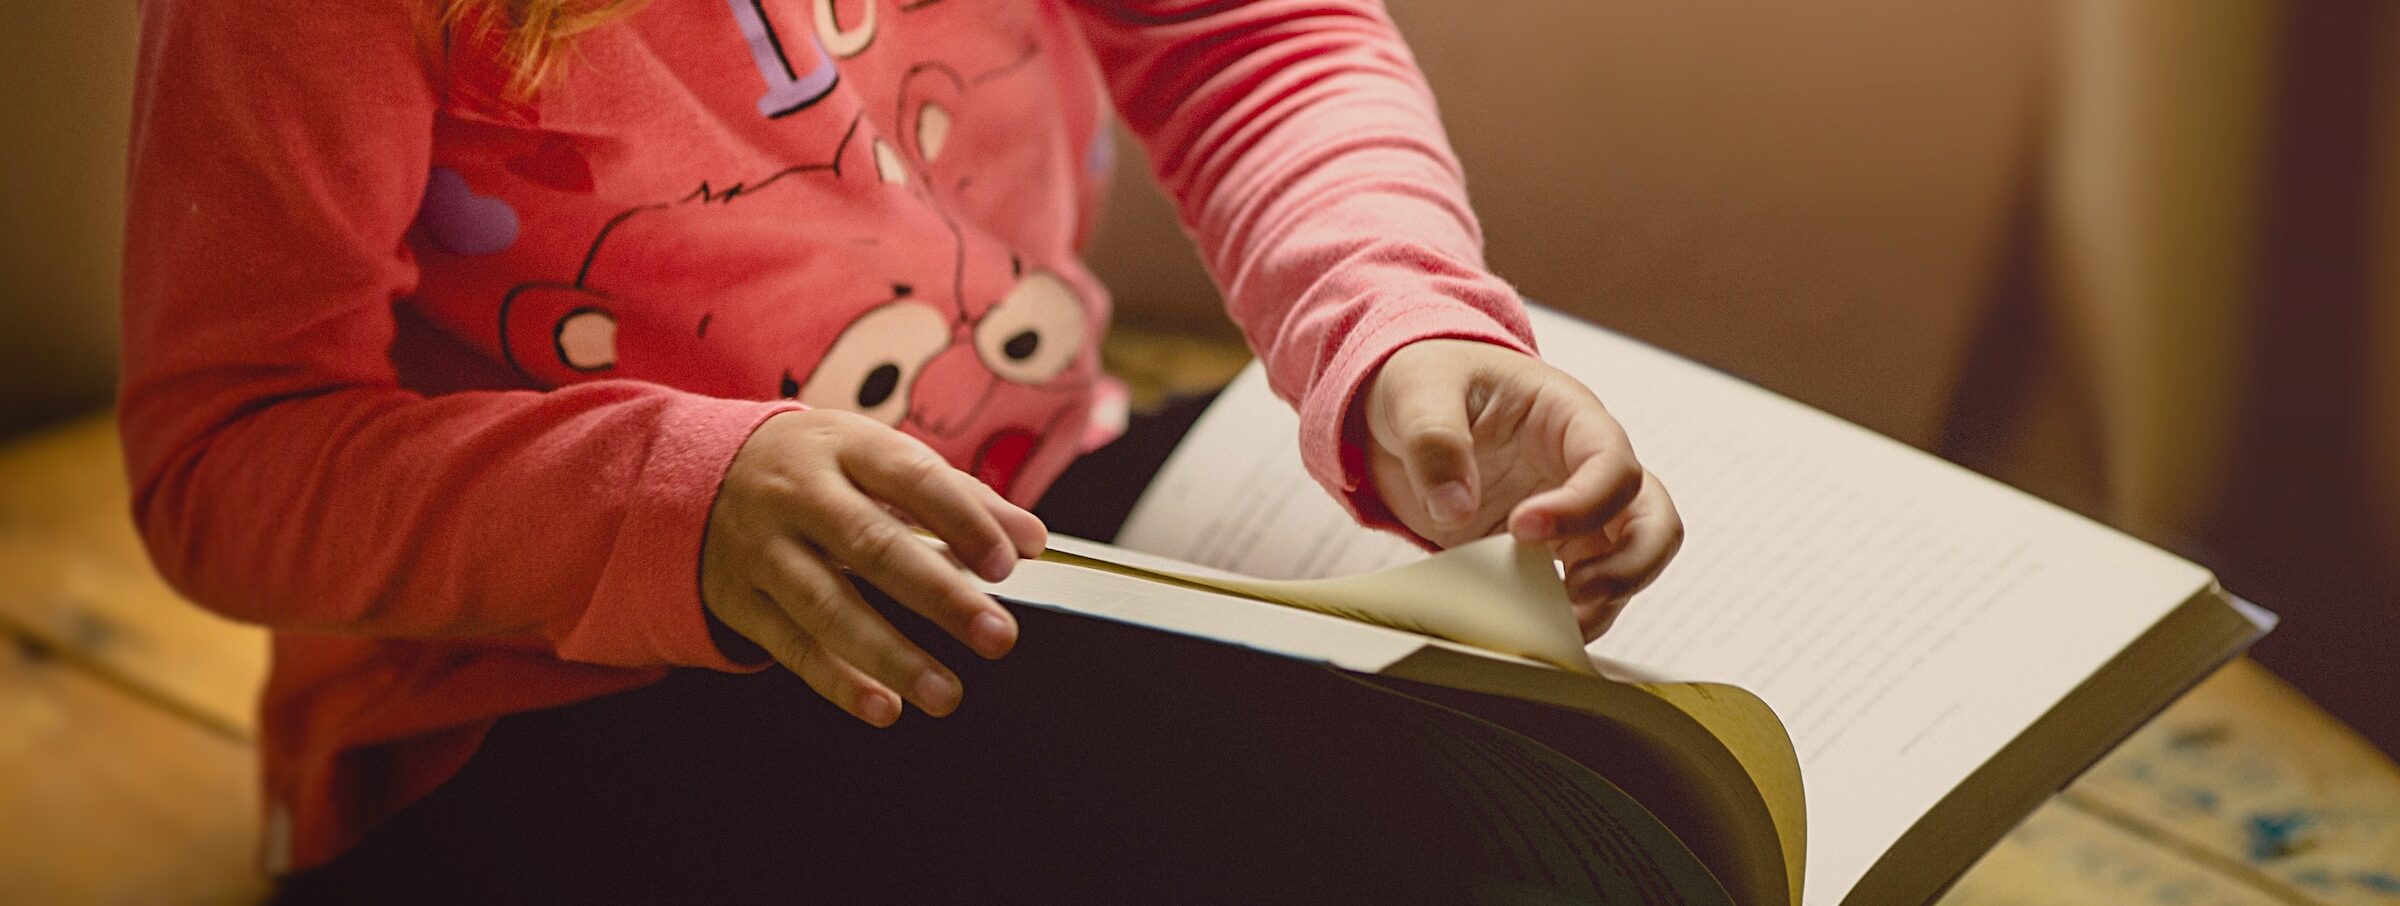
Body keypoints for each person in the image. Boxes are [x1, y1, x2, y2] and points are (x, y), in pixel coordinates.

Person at [120, 0, 1685, 899]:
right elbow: (229, 451)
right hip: (537, 700)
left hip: (1041, 525)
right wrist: (679, 500)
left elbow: (1246, 35)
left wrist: (1404, 320)